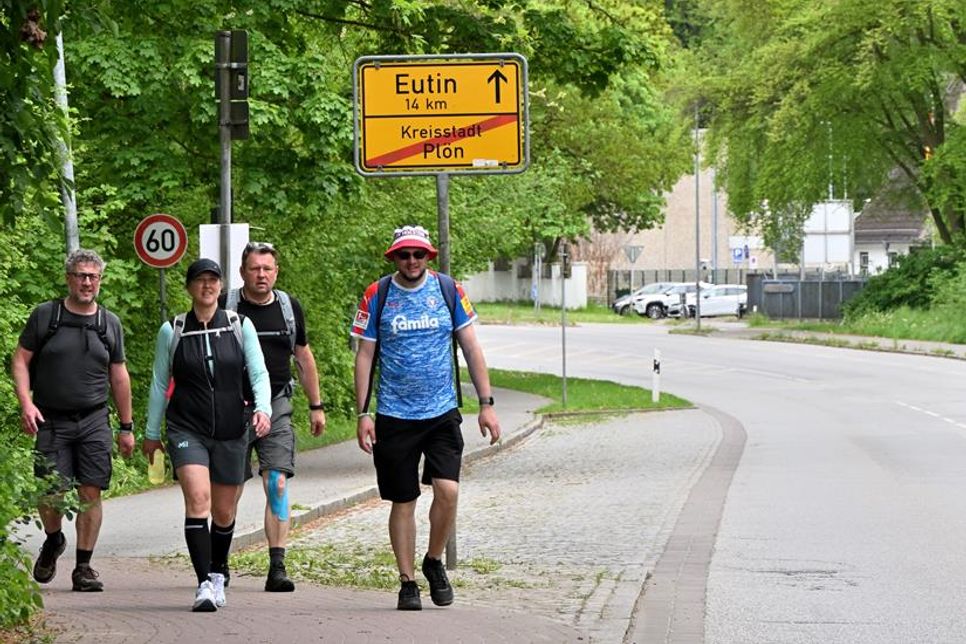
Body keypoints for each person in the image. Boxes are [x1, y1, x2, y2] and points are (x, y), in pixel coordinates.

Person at [350, 225, 501, 611]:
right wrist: (363, 412)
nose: (412, 261)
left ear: (429, 257)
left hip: (441, 413)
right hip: (394, 416)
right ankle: (406, 581)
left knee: (448, 491)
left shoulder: (449, 290)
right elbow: (365, 355)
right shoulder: (378, 294)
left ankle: (433, 561)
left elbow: (470, 346)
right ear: (393, 258)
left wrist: (486, 403)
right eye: (404, 255)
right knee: (403, 500)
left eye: (419, 254)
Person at [143, 258, 272, 612]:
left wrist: (264, 409)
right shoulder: (173, 330)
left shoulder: (238, 325)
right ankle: (202, 584)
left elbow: (259, 374)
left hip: (232, 429)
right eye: (200, 280)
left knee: (224, 512)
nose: (207, 286)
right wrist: (151, 433)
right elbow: (158, 384)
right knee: (198, 502)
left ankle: (217, 573)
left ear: (221, 286)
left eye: (213, 280)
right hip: (187, 427)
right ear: (189, 287)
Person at [11, 249, 134, 593]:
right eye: (81, 275)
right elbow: (20, 360)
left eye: (93, 276)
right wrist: (26, 403)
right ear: (69, 278)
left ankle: (84, 567)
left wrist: (127, 427)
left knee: (90, 491)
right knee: (50, 492)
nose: (87, 282)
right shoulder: (46, 316)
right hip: (50, 419)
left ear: (100, 280)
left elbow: (120, 377)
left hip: (94, 419)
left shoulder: (108, 323)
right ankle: (53, 539)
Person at [222, 241, 326, 592]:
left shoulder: (287, 307)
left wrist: (316, 405)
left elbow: (304, 356)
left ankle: (277, 565)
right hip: (232, 408)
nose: (261, 275)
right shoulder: (226, 306)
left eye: (267, 268)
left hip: (278, 405)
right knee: (230, 489)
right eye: (255, 268)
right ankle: (219, 563)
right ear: (242, 272)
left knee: (277, 483)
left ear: (276, 272)